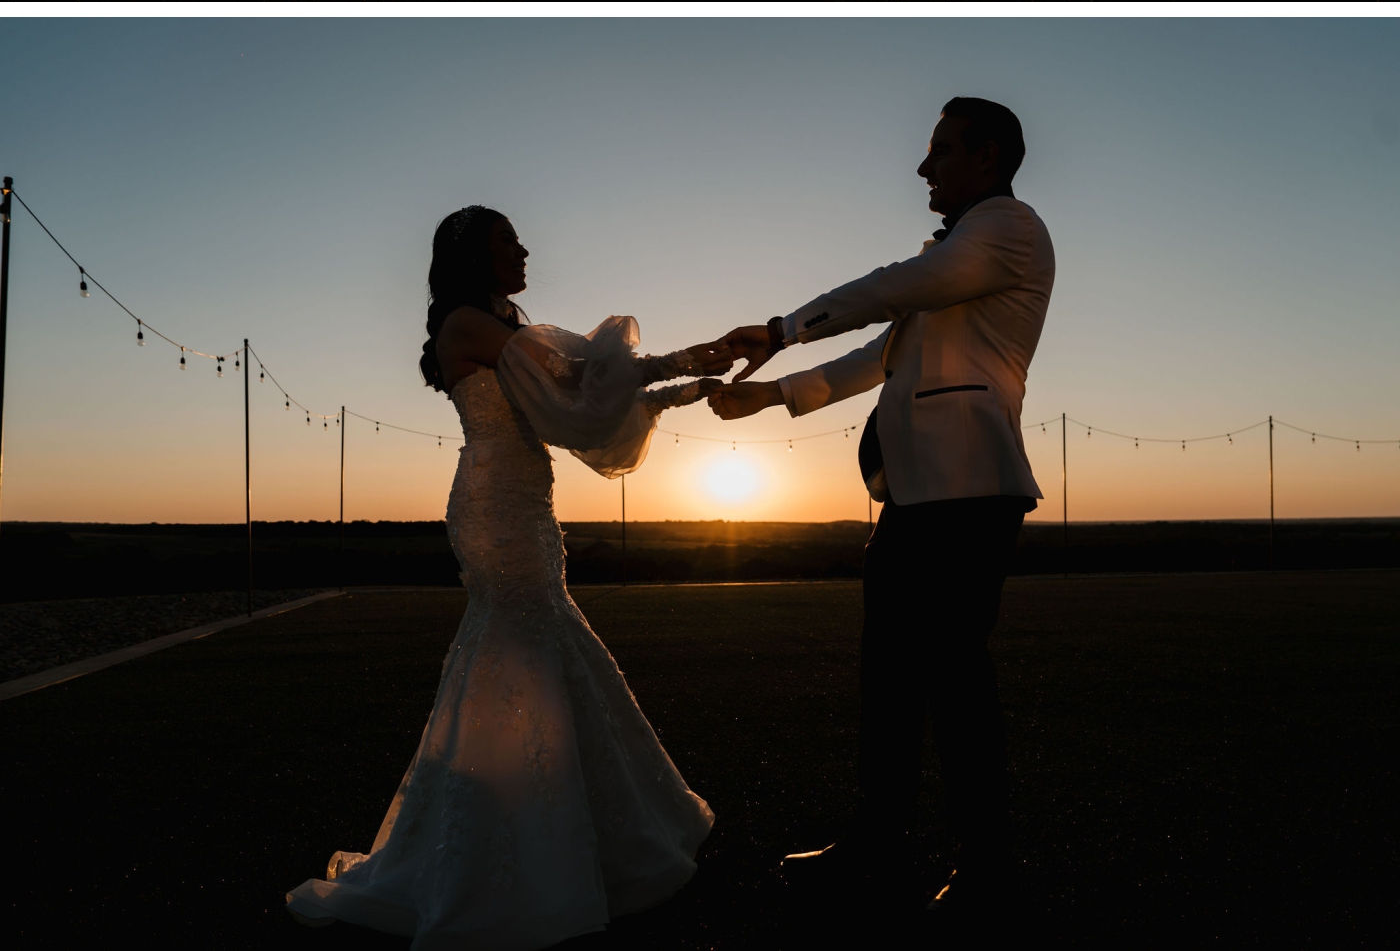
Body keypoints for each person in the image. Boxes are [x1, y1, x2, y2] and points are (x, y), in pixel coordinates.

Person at [287, 205, 734, 948]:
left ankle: (573, 836)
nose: (524, 249)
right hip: (494, 509)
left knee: (543, 651)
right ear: (471, 255)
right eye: (507, 239)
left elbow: (577, 407)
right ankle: (510, 854)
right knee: (520, 648)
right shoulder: (465, 324)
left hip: (529, 505)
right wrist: (696, 355)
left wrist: (684, 391)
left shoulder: (503, 326)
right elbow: (582, 374)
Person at [710, 99, 1054, 928]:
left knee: (956, 682)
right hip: (915, 494)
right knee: (890, 681)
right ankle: (876, 847)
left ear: (987, 155)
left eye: (939, 150)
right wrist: (777, 395)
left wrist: (782, 329)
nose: (923, 167)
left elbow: (898, 288)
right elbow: (881, 353)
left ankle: (989, 871)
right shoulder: (960, 250)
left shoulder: (1006, 228)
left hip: (969, 492)